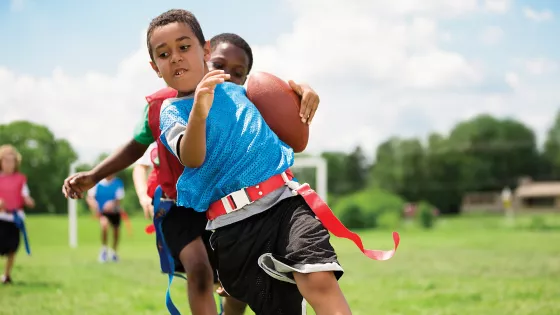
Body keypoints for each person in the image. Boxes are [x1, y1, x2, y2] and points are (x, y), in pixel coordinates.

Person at [63, 29, 320, 314]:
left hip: (225, 208)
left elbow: (281, 112)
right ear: (205, 58)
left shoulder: (243, 100)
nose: (227, 76)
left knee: (238, 284)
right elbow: (135, 148)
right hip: (177, 205)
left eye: (238, 73)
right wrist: (95, 176)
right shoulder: (162, 106)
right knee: (199, 271)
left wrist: (303, 91)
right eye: (219, 67)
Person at [151, 9, 352, 315]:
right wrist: (199, 113)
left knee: (319, 278)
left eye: (184, 47)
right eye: (164, 54)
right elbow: (192, 157)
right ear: (155, 67)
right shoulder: (171, 112)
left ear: (205, 50)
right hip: (232, 228)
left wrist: (304, 93)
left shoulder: (245, 92)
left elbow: (286, 115)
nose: (176, 57)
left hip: (284, 205)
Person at [0, 144, 35, 284]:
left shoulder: (20, 179)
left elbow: (25, 194)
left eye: (12, 161)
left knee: (13, 247)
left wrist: (28, 200)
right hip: (1, 217)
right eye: (6, 160)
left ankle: (7, 275)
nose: (9, 164)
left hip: (15, 218)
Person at [86, 173, 125, 263]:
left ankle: (114, 252)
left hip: (115, 212)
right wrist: (92, 203)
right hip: (103, 212)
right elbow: (90, 197)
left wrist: (112, 203)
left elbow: (118, 199)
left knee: (116, 232)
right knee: (104, 226)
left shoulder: (118, 183)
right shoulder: (97, 183)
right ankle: (103, 250)